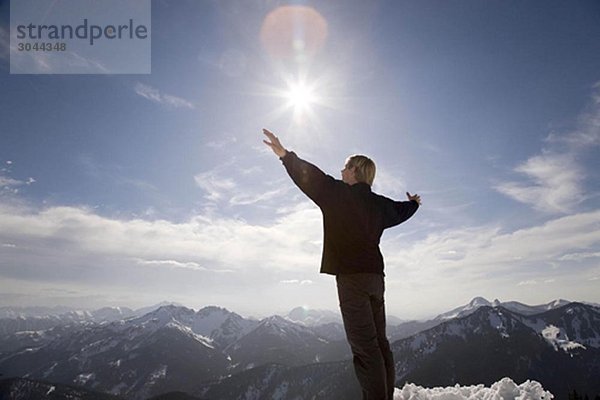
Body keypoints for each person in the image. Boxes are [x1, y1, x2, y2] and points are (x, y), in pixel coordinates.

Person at [262, 128, 420, 400]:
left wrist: (285, 155)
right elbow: (401, 211)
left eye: (346, 166)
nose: (342, 170)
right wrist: (414, 204)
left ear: (356, 171)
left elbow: (309, 177)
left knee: (365, 349)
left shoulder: (336, 194)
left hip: (352, 280)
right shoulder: (380, 204)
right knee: (380, 344)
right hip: (375, 279)